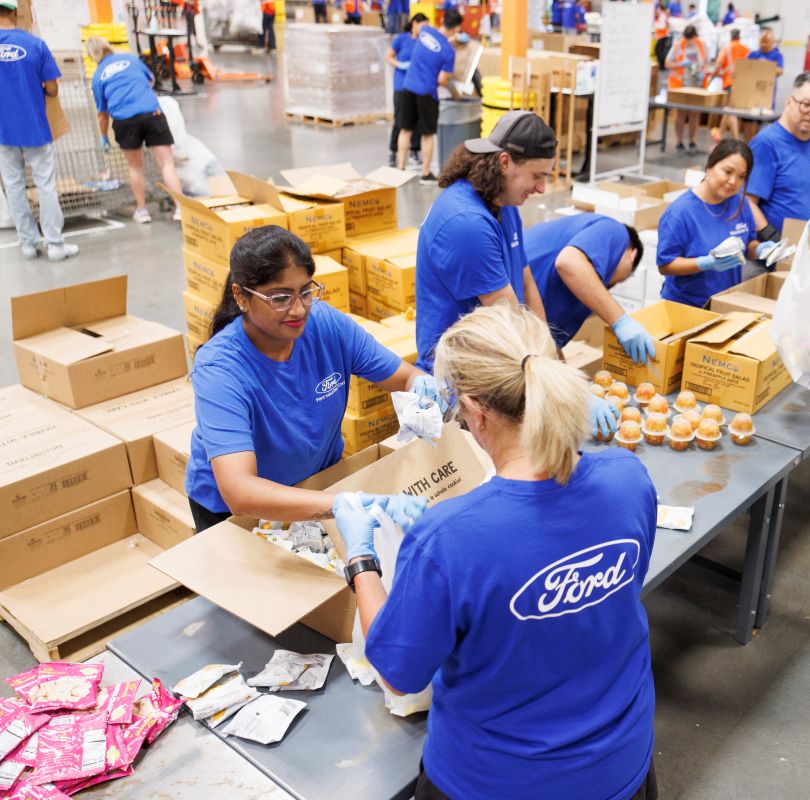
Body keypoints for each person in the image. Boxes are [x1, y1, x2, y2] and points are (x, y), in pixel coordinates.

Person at [335, 303, 658, 800]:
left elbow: (397, 675)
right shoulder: (627, 477)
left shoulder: (449, 539)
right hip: (621, 767)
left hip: (498, 782)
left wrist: (361, 560)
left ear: (477, 410)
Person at [185, 226, 443, 532]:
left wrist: (422, 388)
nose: (299, 309)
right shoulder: (220, 369)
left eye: (306, 292)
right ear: (241, 296)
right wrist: (343, 505)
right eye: (280, 298)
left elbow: (404, 376)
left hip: (316, 486)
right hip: (237, 513)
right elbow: (240, 491)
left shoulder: (325, 325)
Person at [414, 112, 553, 372]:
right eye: (537, 175)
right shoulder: (466, 223)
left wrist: (550, 357)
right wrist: (548, 377)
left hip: (494, 360)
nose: (542, 188)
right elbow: (508, 316)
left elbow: (525, 281)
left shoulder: (504, 201)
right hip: (460, 381)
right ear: (505, 162)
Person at [657, 139, 781, 307]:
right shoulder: (681, 213)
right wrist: (705, 263)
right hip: (688, 305)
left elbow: (749, 244)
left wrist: (760, 250)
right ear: (710, 168)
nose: (733, 182)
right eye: (727, 172)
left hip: (725, 301)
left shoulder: (740, 204)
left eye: (741, 177)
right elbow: (666, 265)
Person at [0, 0, 78, 262]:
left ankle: (28, 245)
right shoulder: (35, 44)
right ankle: (55, 245)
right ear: (14, 13)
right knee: (45, 185)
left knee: (13, 186)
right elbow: (53, 88)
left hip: (3, 129)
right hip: (34, 126)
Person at [526, 213, 652, 359]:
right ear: (632, 255)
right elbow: (568, 262)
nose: (611, 284)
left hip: (522, 329)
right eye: (622, 279)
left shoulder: (582, 284)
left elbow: (548, 341)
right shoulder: (615, 231)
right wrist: (620, 320)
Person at [86, 37, 184, 224]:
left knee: (135, 166)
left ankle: (142, 210)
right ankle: (180, 208)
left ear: (92, 56)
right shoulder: (131, 59)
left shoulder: (98, 75)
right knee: (166, 163)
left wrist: (104, 137)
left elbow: (102, 114)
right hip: (152, 112)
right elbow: (151, 79)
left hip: (125, 120)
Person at [747, 71, 810, 240]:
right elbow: (747, 202)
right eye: (806, 104)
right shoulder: (766, 143)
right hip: (778, 250)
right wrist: (772, 240)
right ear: (788, 102)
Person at [396, 9, 462, 185]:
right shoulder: (449, 51)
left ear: (442, 20)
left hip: (408, 86)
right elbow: (442, 79)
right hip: (427, 93)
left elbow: (417, 35)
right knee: (427, 134)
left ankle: (400, 168)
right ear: (456, 28)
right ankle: (425, 173)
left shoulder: (425, 31)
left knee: (405, 129)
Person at [386, 13, 428, 168]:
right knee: (400, 120)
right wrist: (399, 64)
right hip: (401, 85)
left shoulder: (424, 43)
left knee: (416, 121)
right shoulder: (401, 39)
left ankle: (414, 151)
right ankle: (393, 152)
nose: (425, 29)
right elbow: (389, 56)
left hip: (417, 86)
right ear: (414, 24)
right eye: (423, 25)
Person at [667, 25, 707, 154]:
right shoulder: (678, 46)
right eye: (687, 39)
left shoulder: (701, 45)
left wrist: (702, 73)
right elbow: (667, 63)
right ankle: (679, 142)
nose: (690, 42)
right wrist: (680, 64)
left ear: (696, 36)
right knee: (681, 113)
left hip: (696, 84)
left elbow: (705, 63)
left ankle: (692, 141)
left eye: (692, 39)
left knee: (695, 113)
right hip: (681, 85)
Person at [710, 28, 749, 139]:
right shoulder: (745, 49)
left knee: (730, 110)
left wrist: (711, 77)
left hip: (729, 81)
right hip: (743, 83)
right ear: (739, 37)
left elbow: (718, 65)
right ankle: (720, 133)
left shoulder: (726, 49)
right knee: (729, 108)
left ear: (730, 36)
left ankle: (735, 138)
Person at [747, 27, 784, 108]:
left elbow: (779, 71)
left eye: (766, 42)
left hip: (767, 90)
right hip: (751, 89)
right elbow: (744, 68)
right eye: (761, 42)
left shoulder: (777, 55)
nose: (763, 44)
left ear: (772, 42)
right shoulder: (753, 54)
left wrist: (766, 65)